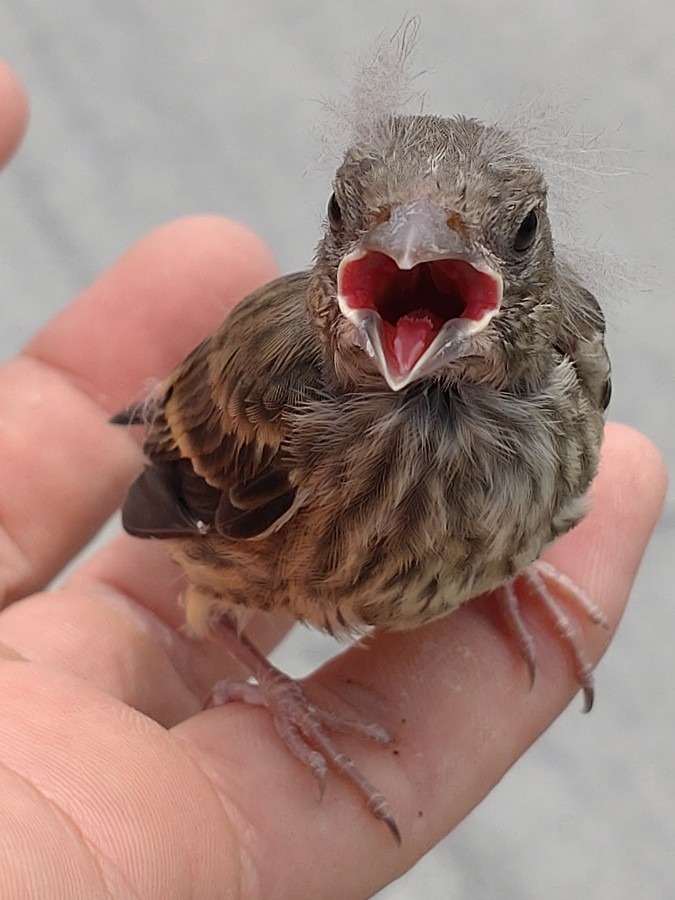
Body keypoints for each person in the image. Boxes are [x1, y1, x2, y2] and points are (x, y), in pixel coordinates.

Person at [0, 60, 665, 899]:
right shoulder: (287, 397)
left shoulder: (574, 357)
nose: (417, 248)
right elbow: (183, 493)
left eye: (516, 235)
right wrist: (276, 693)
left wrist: (501, 560)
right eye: (354, 221)